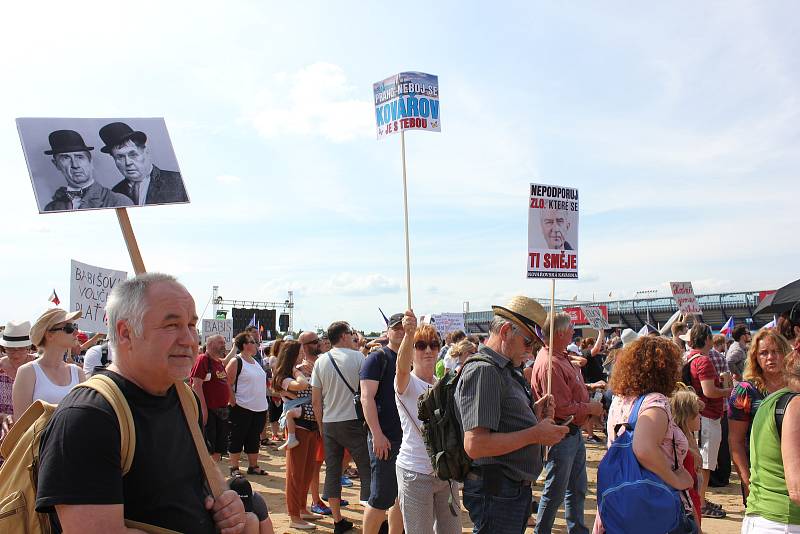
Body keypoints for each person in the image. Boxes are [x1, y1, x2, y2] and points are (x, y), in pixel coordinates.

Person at [35, 273, 246, 533]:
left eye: (191, 324)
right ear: (125, 333)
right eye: (172, 325)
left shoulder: (184, 398)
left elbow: (198, 477)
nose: (190, 339)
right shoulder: (88, 417)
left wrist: (226, 502)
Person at [455, 296, 568, 534]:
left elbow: (501, 420)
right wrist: (535, 433)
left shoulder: (503, 369)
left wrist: (533, 412)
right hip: (497, 490)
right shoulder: (485, 371)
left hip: (506, 489)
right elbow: (475, 444)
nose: (531, 351)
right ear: (506, 331)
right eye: (528, 343)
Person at [593, 337, 694, 533]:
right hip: (656, 503)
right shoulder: (655, 401)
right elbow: (644, 448)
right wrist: (675, 479)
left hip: (621, 501)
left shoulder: (620, 401)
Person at [531, 312, 603, 534]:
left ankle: (577, 530)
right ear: (560, 333)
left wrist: (588, 389)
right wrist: (590, 407)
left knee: (576, 488)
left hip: (571, 433)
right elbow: (562, 407)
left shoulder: (559, 356)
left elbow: (568, 393)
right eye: (571, 327)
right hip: (562, 433)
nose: (574, 331)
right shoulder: (551, 363)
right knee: (555, 493)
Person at [394, 311, 461, 533]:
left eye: (434, 344)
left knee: (452, 530)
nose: (429, 350)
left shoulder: (443, 384)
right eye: (420, 345)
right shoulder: (407, 384)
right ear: (412, 350)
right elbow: (401, 368)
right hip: (415, 471)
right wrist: (408, 335)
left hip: (445, 470)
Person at [311, 321, 373, 534]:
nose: (353, 336)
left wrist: (321, 425)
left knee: (333, 471)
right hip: (353, 421)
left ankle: (338, 520)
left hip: (329, 422)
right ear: (344, 336)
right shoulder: (358, 357)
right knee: (367, 468)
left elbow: (316, 400)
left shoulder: (320, 361)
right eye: (350, 332)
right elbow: (367, 393)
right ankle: (373, 518)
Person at [728, 329, 791, 502]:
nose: (770, 357)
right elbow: (736, 441)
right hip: (759, 475)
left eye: (776, 351)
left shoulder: (795, 387)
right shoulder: (744, 391)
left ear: (785, 353)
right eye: (764, 353)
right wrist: (747, 480)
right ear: (756, 357)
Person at [741, 348, 800, 532]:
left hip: (762, 518)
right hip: (783, 522)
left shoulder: (770, 401)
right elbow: (796, 488)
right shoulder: (795, 405)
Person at [360, 313, 405, 534]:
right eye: (396, 327)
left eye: (404, 327)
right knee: (380, 497)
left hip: (408, 439)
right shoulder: (377, 359)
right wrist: (377, 434)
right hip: (385, 436)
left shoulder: (412, 359)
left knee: (400, 497)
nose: (400, 331)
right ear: (387, 331)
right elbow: (366, 397)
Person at [685, 323, 732, 518]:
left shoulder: (690, 357)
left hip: (697, 416)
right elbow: (709, 391)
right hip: (707, 416)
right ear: (706, 340)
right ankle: (701, 503)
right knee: (705, 465)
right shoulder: (703, 361)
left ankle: (700, 499)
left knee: (700, 463)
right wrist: (727, 391)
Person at [284, 331, 324, 529]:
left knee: (307, 471)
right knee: (295, 473)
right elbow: (291, 388)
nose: (301, 354)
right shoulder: (292, 372)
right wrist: (302, 372)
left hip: (310, 424)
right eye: (299, 351)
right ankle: (294, 516)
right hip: (299, 425)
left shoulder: (307, 368)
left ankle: (301, 508)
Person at [12, 309, 86, 417]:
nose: (76, 332)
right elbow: (21, 426)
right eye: (69, 328)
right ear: (49, 335)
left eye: (75, 327)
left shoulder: (78, 372)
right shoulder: (28, 372)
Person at [99, 121, 188, 205]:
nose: (128, 162)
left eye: (133, 154)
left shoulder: (179, 182)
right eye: (120, 157)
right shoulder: (115, 193)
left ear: (146, 151)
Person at [41, 130, 132, 211]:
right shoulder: (52, 208)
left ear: (90, 162)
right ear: (56, 164)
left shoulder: (118, 201)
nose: (75, 165)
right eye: (66, 158)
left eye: (80, 157)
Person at [226, 332, 269, 476]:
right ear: (245, 345)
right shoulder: (236, 361)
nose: (256, 344)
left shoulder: (255, 361)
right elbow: (227, 383)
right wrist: (233, 401)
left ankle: (253, 466)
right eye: (253, 342)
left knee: (253, 437)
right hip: (242, 407)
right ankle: (234, 467)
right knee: (237, 436)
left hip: (259, 408)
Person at [191, 334, 231, 462]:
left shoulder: (219, 362)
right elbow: (196, 385)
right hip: (210, 411)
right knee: (209, 447)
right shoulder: (203, 359)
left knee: (218, 447)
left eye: (223, 342)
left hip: (222, 412)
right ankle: (208, 478)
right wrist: (203, 410)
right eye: (220, 342)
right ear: (210, 345)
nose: (223, 345)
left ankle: (215, 474)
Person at [670, 386, 705, 530]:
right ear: (687, 416)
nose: (701, 417)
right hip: (689, 511)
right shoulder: (684, 452)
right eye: (697, 413)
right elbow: (687, 492)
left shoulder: (686, 439)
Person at [0, 321, 35, 441]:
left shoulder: (40, 368)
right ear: (4, 347)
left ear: (29, 347)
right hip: (3, 438)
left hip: (32, 436)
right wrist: (3, 417)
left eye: (20, 349)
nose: (15, 354)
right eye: (10, 349)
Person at [271, 340, 306, 451]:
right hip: (298, 425)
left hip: (307, 422)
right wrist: (296, 371)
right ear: (291, 355)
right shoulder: (284, 377)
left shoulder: (301, 369)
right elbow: (302, 385)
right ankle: (291, 438)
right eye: (300, 353)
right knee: (297, 464)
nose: (303, 355)